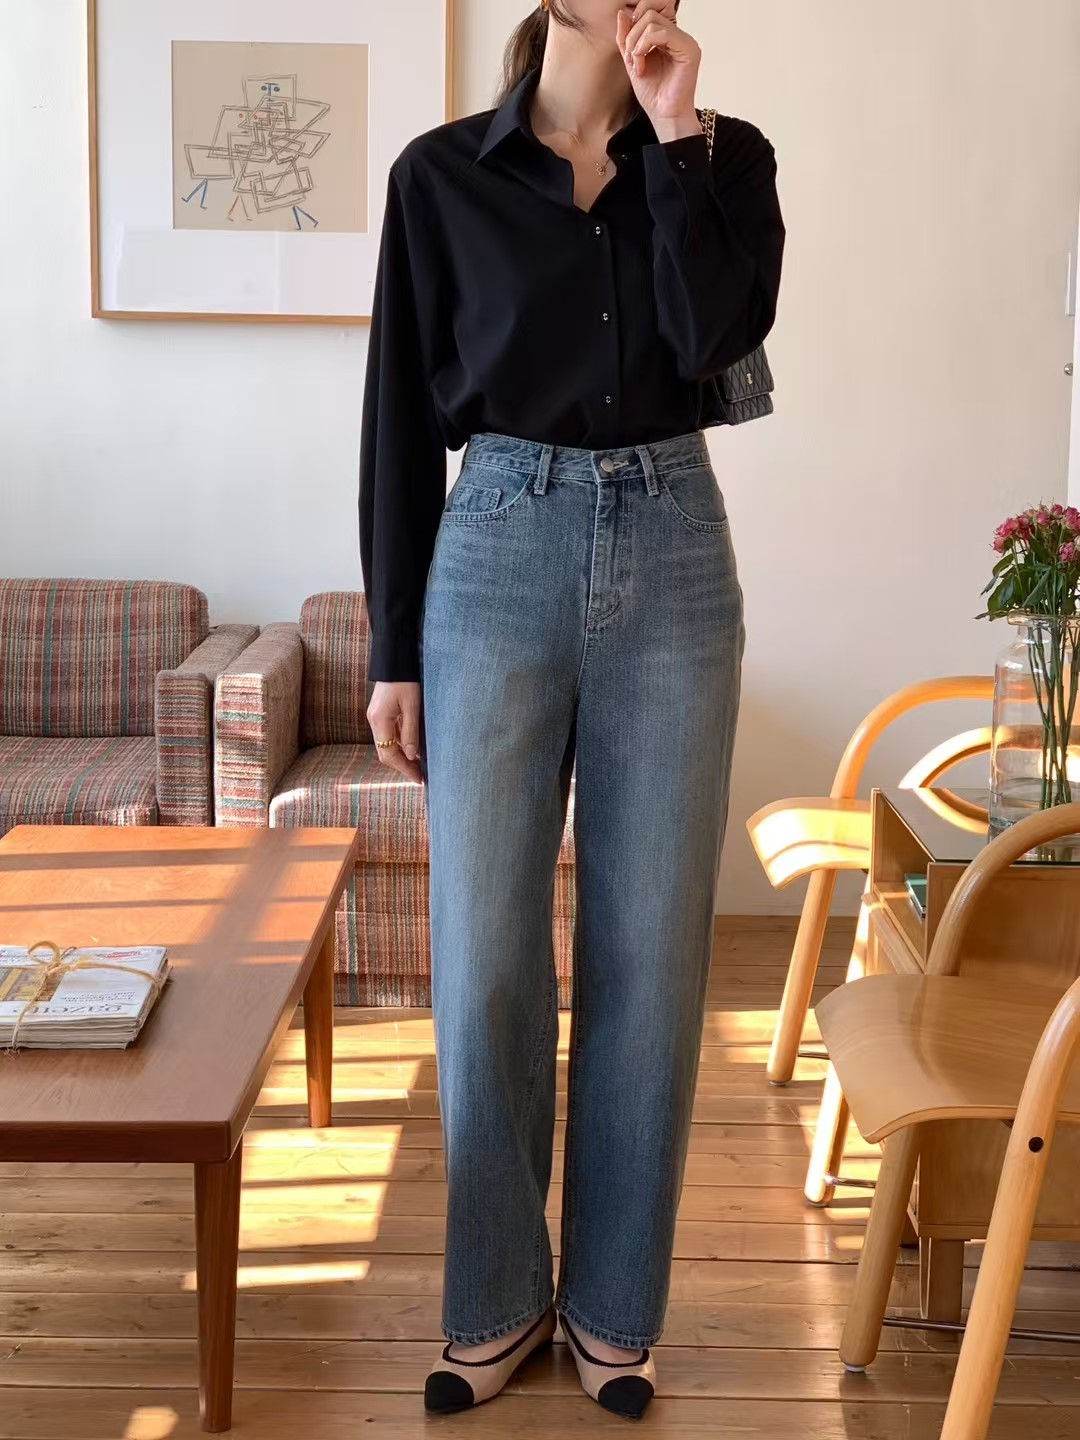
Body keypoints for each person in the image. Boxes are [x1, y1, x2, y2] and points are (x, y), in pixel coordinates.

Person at [358, 0, 785, 1420]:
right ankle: (495, 1299)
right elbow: (397, 418)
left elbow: (717, 343)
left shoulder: (726, 157)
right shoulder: (440, 176)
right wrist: (395, 646)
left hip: (674, 547)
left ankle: (612, 1309)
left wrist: (675, 133)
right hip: (493, 552)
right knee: (484, 960)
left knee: (651, 958)